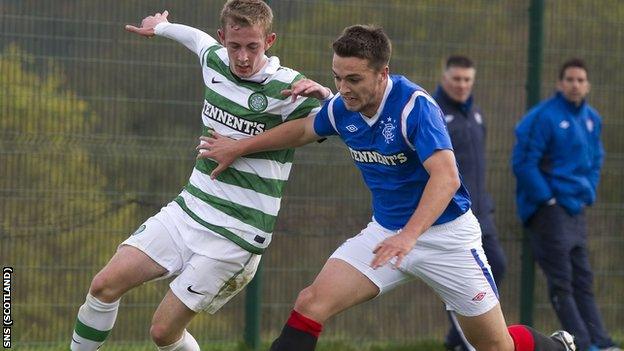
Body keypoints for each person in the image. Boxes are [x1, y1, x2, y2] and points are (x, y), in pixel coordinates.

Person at [198, 25, 576, 351]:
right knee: (311, 302)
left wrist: (409, 236)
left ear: (383, 74)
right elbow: (301, 130)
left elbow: (447, 179)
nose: (343, 89)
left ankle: (556, 346)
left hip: (447, 238)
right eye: (337, 78)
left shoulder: (415, 108)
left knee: (493, 346)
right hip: (385, 234)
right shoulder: (343, 107)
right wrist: (238, 147)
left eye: (354, 79)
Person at [69, 1, 322, 350]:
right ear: (224, 39)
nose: (243, 57)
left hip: (237, 233)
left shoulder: (288, 86)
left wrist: (324, 93)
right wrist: (161, 27)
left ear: (270, 41)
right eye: (235, 46)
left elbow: (339, 118)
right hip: (189, 210)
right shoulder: (215, 60)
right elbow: (196, 40)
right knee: (103, 285)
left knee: (162, 332)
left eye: (253, 46)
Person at [512, 59, 620, 351]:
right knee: (562, 282)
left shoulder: (592, 119)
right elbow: (523, 163)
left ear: (588, 85)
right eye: (570, 79)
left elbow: (596, 159)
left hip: (576, 209)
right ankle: (583, 344)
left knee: (583, 279)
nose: (575, 85)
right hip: (550, 211)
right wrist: (547, 199)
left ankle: (602, 342)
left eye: (581, 80)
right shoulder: (542, 117)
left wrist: (589, 191)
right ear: (560, 83)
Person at [433, 55, 507, 351]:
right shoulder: (434, 112)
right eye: (456, 79)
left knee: (497, 266)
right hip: (451, 216)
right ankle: (467, 343)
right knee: (460, 282)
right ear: (444, 78)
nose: (462, 85)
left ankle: (456, 340)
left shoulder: (475, 113)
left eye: (467, 80)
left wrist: (485, 203)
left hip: (480, 213)